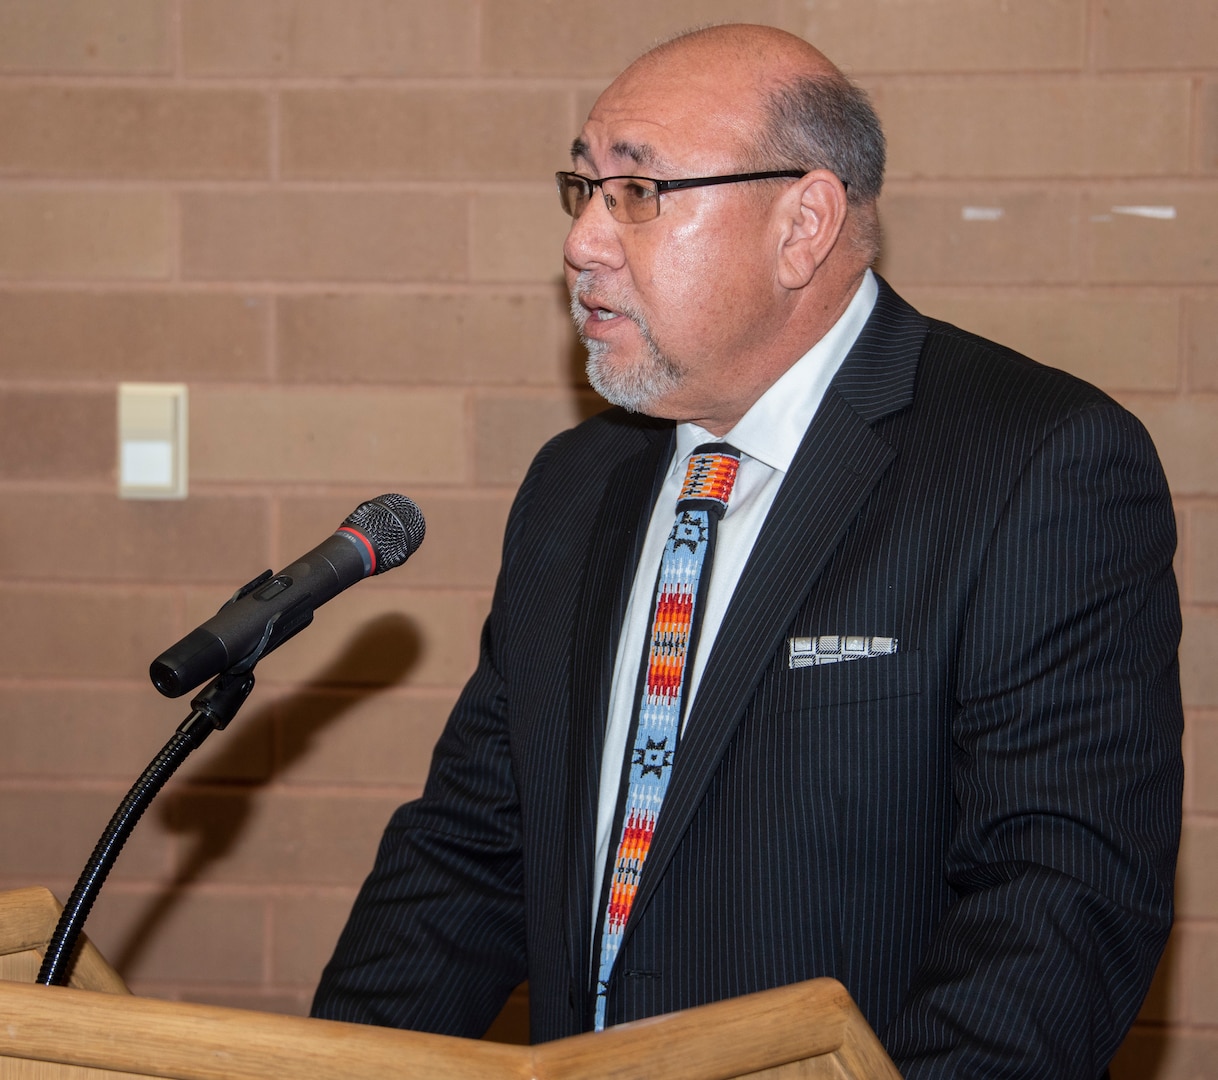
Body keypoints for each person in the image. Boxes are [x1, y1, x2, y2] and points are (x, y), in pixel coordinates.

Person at [311, 24, 1183, 1078]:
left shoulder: (1032, 463)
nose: (584, 240)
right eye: (581, 188)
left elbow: (1060, 905)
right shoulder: (574, 487)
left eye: (637, 192)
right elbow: (470, 855)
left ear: (802, 222)